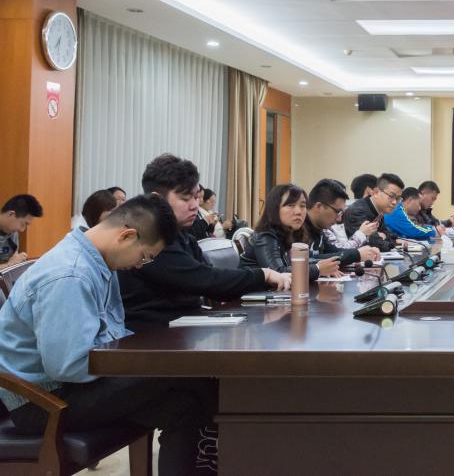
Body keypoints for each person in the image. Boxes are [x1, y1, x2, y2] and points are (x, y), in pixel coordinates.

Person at [0, 195, 217, 474]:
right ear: (127, 236)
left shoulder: (97, 261)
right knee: (183, 370)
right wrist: (143, 363)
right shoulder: (70, 275)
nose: (139, 265)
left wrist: (141, 359)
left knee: (184, 404)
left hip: (71, 387)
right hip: (44, 403)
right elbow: (68, 365)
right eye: (144, 256)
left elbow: (113, 334)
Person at [118, 154, 290, 330]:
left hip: (185, 329)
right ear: (157, 199)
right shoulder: (150, 240)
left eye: (196, 197)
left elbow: (215, 285)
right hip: (151, 337)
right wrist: (264, 274)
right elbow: (207, 280)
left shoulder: (185, 238)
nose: (194, 205)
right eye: (185, 198)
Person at [240, 184, 342, 279]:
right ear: (274, 209)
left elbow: (302, 261)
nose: (298, 212)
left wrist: (326, 266)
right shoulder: (266, 236)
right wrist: (318, 269)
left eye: (302, 206)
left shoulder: (293, 233)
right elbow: (278, 273)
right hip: (253, 292)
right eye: (290, 205)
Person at [304, 178, 379, 265]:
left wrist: (363, 252)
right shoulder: (299, 228)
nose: (339, 219)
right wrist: (357, 254)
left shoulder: (319, 227)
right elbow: (308, 260)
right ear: (319, 207)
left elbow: (332, 252)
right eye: (337, 211)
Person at [344, 172, 404, 249]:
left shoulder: (379, 209)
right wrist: (392, 242)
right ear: (376, 192)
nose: (394, 202)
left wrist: (385, 236)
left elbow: (388, 234)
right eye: (391, 196)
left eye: (398, 198)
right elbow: (376, 244)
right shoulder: (358, 211)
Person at [0, 194, 42, 266]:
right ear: (11, 214)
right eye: (23, 224)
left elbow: (14, 258)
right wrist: (9, 264)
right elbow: (11, 263)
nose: (22, 230)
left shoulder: (12, 233)